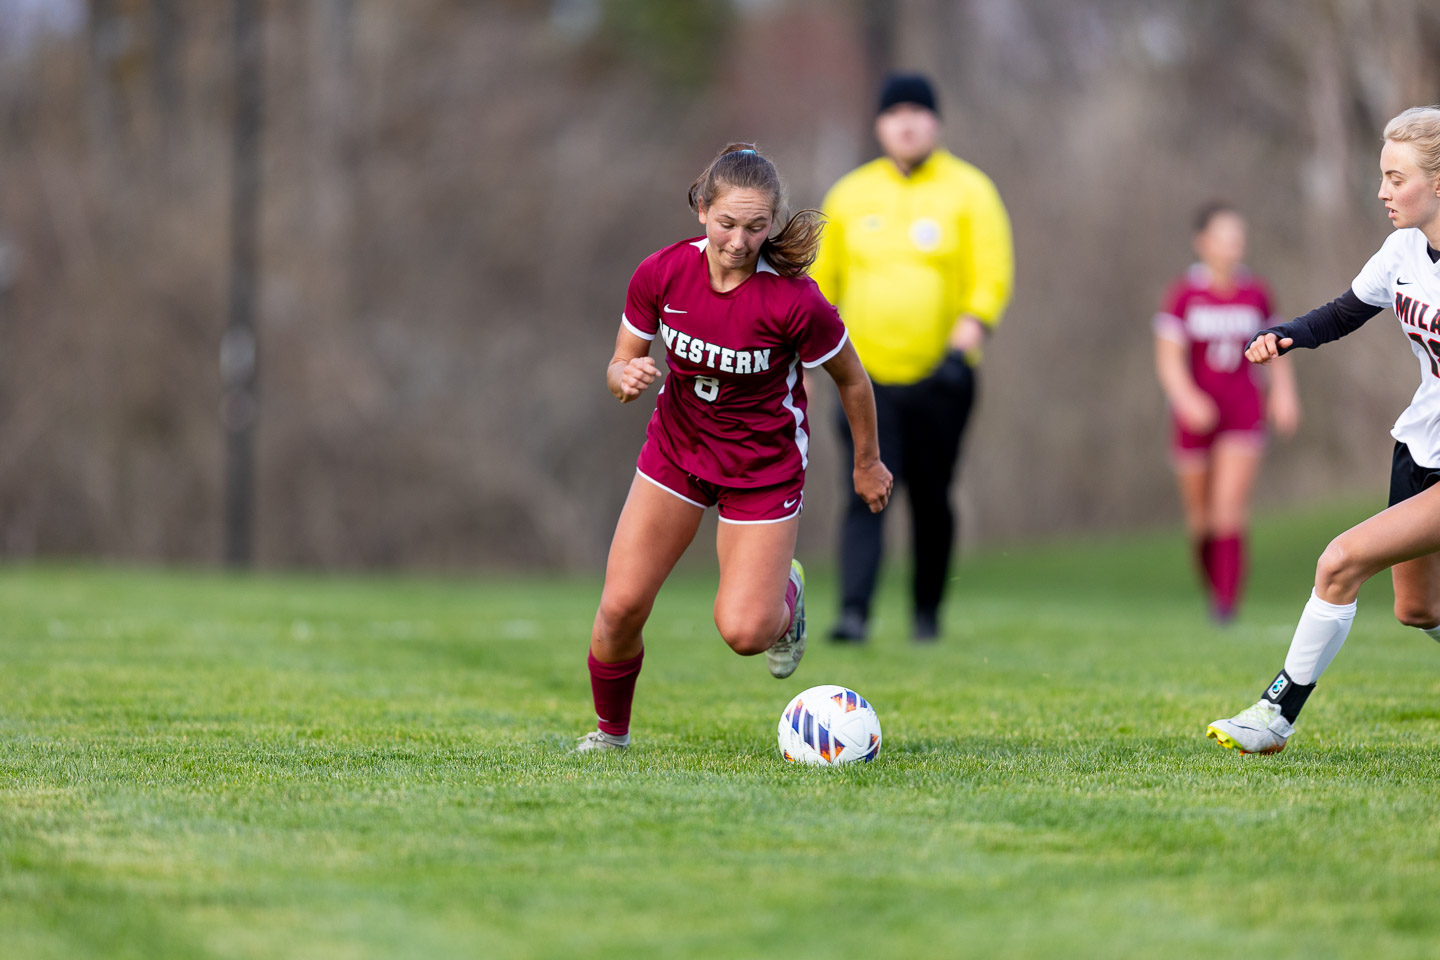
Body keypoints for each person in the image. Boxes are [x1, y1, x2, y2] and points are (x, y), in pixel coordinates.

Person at [577, 143, 894, 753]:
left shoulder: (795, 301)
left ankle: (788, 600)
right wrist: (625, 378)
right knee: (619, 608)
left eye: (755, 227)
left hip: (763, 471)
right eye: (726, 223)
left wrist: (867, 461)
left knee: (746, 632)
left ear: (771, 223)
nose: (739, 241)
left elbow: (853, 379)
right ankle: (611, 738)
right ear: (701, 208)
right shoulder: (662, 273)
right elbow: (622, 361)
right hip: (676, 454)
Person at [1208, 105, 1440, 754]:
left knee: (1338, 562)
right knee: (1418, 610)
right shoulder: (1403, 252)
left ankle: (1273, 717)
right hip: (1420, 445)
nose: (1382, 192)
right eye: (1381, 176)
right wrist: (1282, 337)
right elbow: (1341, 313)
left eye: (1397, 178)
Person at [811, 71, 1013, 645]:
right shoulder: (849, 195)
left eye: (917, 111)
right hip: (861, 381)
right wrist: (812, 362)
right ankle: (854, 612)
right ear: (879, 125)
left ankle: (926, 614)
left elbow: (991, 274)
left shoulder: (971, 190)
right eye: (894, 111)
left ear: (936, 121)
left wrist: (964, 344)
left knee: (930, 495)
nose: (906, 121)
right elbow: (820, 286)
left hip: (941, 378)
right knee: (862, 489)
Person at [1153, 203, 1300, 622]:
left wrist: (1284, 394)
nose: (1235, 243)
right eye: (1225, 234)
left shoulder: (1256, 292)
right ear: (1203, 242)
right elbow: (1168, 359)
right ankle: (1213, 591)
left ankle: (1226, 606)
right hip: (1194, 417)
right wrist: (1186, 398)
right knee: (1200, 521)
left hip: (1242, 410)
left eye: (1239, 234)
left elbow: (1278, 349)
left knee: (1228, 508)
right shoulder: (1183, 293)